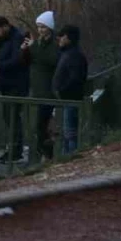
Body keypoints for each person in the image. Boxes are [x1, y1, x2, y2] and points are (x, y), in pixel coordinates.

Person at [0, 16, 29, 161]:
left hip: (15, 85)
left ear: (5, 26)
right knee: (8, 118)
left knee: (12, 118)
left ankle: (15, 150)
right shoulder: (4, 40)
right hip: (6, 84)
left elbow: (17, 60)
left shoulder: (16, 38)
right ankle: (13, 149)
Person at [26, 10, 59, 160]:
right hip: (38, 89)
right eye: (39, 27)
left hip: (48, 90)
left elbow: (51, 59)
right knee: (39, 126)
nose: (40, 30)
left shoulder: (54, 44)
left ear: (50, 28)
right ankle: (43, 154)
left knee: (44, 126)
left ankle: (48, 154)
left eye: (43, 27)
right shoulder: (38, 43)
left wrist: (33, 48)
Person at [54, 25, 89, 155]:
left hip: (71, 100)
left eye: (62, 36)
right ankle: (67, 157)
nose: (59, 38)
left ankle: (71, 158)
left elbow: (75, 79)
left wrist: (61, 90)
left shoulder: (74, 55)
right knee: (66, 134)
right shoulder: (67, 53)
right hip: (66, 100)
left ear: (69, 38)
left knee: (70, 134)